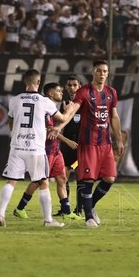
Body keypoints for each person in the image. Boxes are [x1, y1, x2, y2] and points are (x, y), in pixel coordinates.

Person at [54, 60, 124, 228]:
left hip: (106, 144)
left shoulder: (111, 92)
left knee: (109, 178)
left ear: (108, 73)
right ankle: (88, 218)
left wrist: (119, 139)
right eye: (99, 71)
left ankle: (90, 205)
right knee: (87, 180)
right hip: (88, 144)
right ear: (93, 72)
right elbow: (71, 111)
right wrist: (59, 126)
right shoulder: (84, 92)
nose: (102, 74)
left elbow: (113, 116)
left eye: (105, 71)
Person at [0, 69, 65, 228]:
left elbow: (11, 123)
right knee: (43, 182)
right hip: (36, 149)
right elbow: (61, 118)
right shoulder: (45, 101)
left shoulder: (15, 100)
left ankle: (1, 213)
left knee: (11, 181)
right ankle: (48, 220)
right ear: (38, 82)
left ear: (25, 82)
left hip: (17, 146)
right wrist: (69, 110)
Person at [12, 82, 82, 221]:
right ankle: (20, 208)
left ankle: (67, 211)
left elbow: (55, 128)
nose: (61, 93)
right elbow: (51, 130)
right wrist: (68, 141)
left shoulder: (53, 108)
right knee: (39, 181)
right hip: (45, 150)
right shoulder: (43, 106)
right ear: (50, 93)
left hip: (55, 150)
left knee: (62, 178)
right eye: (58, 90)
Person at [60, 75, 82, 215]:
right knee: (63, 175)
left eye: (75, 85)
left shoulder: (84, 104)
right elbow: (59, 124)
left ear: (80, 86)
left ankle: (79, 209)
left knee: (81, 176)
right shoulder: (63, 103)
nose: (72, 88)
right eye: (69, 85)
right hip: (67, 145)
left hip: (81, 146)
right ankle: (65, 209)